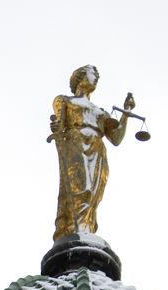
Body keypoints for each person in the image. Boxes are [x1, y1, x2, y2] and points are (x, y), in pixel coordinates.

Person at [49, 65, 131, 241]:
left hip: (97, 149)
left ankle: (86, 231)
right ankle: (72, 233)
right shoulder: (65, 101)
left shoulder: (102, 113)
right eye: (93, 74)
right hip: (75, 142)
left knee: (94, 196)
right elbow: (59, 126)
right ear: (80, 78)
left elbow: (116, 138)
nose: (97, 78)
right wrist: (56, 128)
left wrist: (126, 115)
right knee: (80, 188)